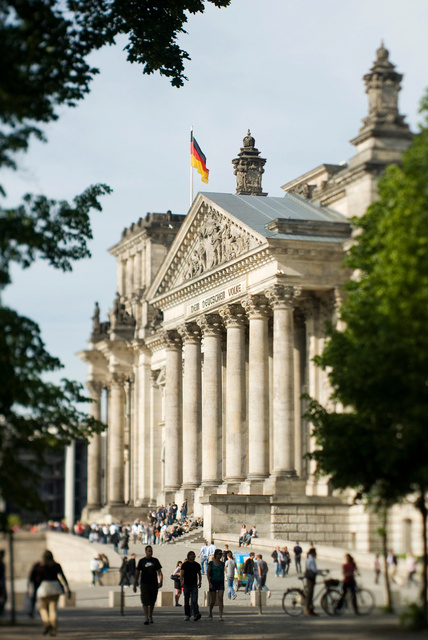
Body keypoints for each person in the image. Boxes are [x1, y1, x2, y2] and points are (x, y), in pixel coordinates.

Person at [36, 549, 71, 636]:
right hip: (55, 587)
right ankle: (53, 630)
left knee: (43, 608)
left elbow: (37, 578)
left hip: (45, 587)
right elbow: (62, 576)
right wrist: (67, 587)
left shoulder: (42, 565)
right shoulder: (56, 565)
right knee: (53, 609)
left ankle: (47, 623)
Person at [133, 545, 163, 625]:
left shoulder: (155, 561)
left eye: (151, 551)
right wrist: (134, 584)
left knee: (152, 600)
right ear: (146, 551)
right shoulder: (141, 561)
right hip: (144, 583)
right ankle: (146, 617)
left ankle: (150, 616)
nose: (150, 552)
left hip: (153, 583)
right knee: (145, 601)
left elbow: (159, 572)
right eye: (149, 551)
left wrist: (161, 581)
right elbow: (137, 573)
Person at [303, 547, 326, 616]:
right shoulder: (311, 559)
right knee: (309, 594)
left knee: (310, 594)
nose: (316, 554)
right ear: (313, 553)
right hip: (311, 578)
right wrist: (322, 571)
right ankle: (307, 609)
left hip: (309, 577)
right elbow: (314, 570)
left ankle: (310, 609)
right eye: (315, 553)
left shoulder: (309, 558)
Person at [180, 550, 202, 621]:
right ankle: (187, 615)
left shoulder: (197, 565)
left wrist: (200, 582)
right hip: (186, 584)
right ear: (188, 556)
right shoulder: (185, 565)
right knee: (186, 600)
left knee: (194, 600)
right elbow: (181, 574)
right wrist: (181, 582)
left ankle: (196, 614)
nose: (192, 556)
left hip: (194, 584)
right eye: (191, 555)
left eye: (193, 555)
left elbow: (199, 574)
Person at [207, 548, 225, 621]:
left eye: (221, 554)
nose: (220, 555)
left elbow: (223, 572)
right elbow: (208, 573)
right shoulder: (211, 563)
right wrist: (209, 582)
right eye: (219, 554)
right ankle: (210, 611)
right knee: (213, 600)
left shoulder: (222, 563)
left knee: (220, 598)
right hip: (213, 581)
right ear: (216, 554)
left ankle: (220, 615)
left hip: (220, 581)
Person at [0, 550, 7, 616]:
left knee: (4, 598)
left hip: (2, 584)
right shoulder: (1, 564)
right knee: (4, 597)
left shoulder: (2, 564)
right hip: (1, 584)